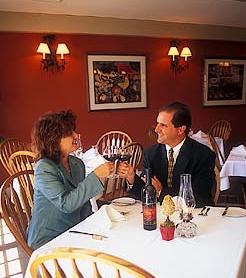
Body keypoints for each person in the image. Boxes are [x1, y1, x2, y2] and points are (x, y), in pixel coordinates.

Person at [27, 109, 114, 250]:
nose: (75, 135)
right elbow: (65, 204)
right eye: (69, 133)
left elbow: (84, 205)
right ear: (53, 139)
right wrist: (96, 176)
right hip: (49, 237)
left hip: (74, 231)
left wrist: (95, 226)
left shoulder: (76, 163)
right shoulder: (44, 168)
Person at [118, 101, 216, 207]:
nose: (156, 129)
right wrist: (132, 178)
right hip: (159, 215)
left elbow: (200, 197)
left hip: (193, 217)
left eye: (163, 125)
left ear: (180, 130)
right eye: (157, 123)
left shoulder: (203, 155)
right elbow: (145, 193)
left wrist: (161, 191)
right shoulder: (150, 154)